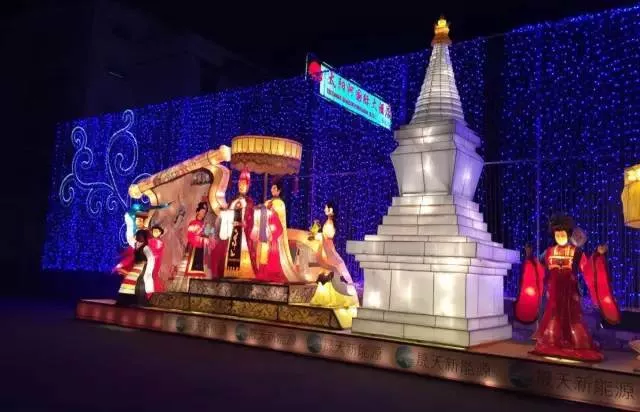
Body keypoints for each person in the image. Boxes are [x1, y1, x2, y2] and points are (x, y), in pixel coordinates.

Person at [514, 214, 621, 362]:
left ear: (568, 234)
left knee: (576, 326)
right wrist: (530, 257)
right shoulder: (548, 252)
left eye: (562, 234)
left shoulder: (576, 252)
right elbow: (538, 268)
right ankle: (554, 343)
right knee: (553, 324)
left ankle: (577, 343)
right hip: (554, 296)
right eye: (557, 234)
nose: (560, 237)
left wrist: (598, 254)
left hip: (571, 296)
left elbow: (588, 269)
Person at [211, 169, 257, 279]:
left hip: (243, 233)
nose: (241, 187)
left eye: (244, 185)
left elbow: (250, 217)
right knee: (227, 252)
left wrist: (244, 223)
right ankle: (228, 273)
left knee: (242, 253)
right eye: (240, 184)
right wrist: (226, 213)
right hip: (232, 230)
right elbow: (228, 213)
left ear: (247, 186)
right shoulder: (233, 200)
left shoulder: (249, 202)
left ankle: (244, 273)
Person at [253, 180, 299, 282]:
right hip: (265, 232)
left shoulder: (280, 203)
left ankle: (272, 272)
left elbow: (280, 219)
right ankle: (262, 272)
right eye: (272, 188)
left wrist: (271, 211)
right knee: (263, 254)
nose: (272, 190)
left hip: (274, 234)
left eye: (274, 188)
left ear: (279, 191)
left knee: (272, 253)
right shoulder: (267, 202)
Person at [115, 229, 155, 306]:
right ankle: (125, 300)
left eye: (139, 235)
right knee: (129, 281)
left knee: (138, 282)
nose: (138, 237)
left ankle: (137, 301)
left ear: (143, 237)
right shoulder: (136, 244)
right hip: (136, 267)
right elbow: (130, 239)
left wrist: (149, 271)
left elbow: (151, 259)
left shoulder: (145, 247)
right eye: (137, 235)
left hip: (142, 267)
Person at [184, 201, 211, 278]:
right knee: (193, 264)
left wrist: (207, 233)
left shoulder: (206, 224)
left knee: (201, 264)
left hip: (202, 246)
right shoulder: (192, 223)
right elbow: (190, 235)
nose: (203, 214)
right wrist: (200, 237)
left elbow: (208, 234)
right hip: (194, 246)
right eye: (202, 211)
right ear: (197, 212)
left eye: (204, 212)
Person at [148, 224, 166, 296]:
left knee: (153, 273)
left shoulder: (160, 242)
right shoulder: (149, 240)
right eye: (154, 231)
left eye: (157, 231)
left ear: (160, 233)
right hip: (149, 259)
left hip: (155, 260)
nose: (155, 233)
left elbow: (157, 252)